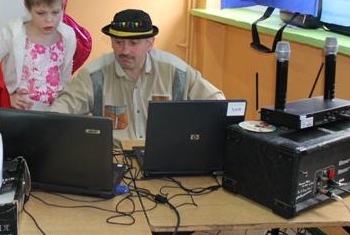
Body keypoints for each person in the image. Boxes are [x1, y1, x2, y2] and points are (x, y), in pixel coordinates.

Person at [51, 9, 224, 140]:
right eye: (118, 42)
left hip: (164, 159)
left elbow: (218, 104)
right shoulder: (93, 75)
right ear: (111, 42)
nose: (125, 50)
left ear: (150, 43)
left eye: (133, 43)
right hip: (113, 160)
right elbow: (59, 112)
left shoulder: (176, 71)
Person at [0, 0, 76, 110]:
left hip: (52, 113)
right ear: (28, 7)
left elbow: (65, 78)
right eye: (41, 13)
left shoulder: (68, 36)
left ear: (63, 5)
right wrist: (7, 98)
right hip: (17, 113)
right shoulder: (13, 32)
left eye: (55, 12)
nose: (49, 19)